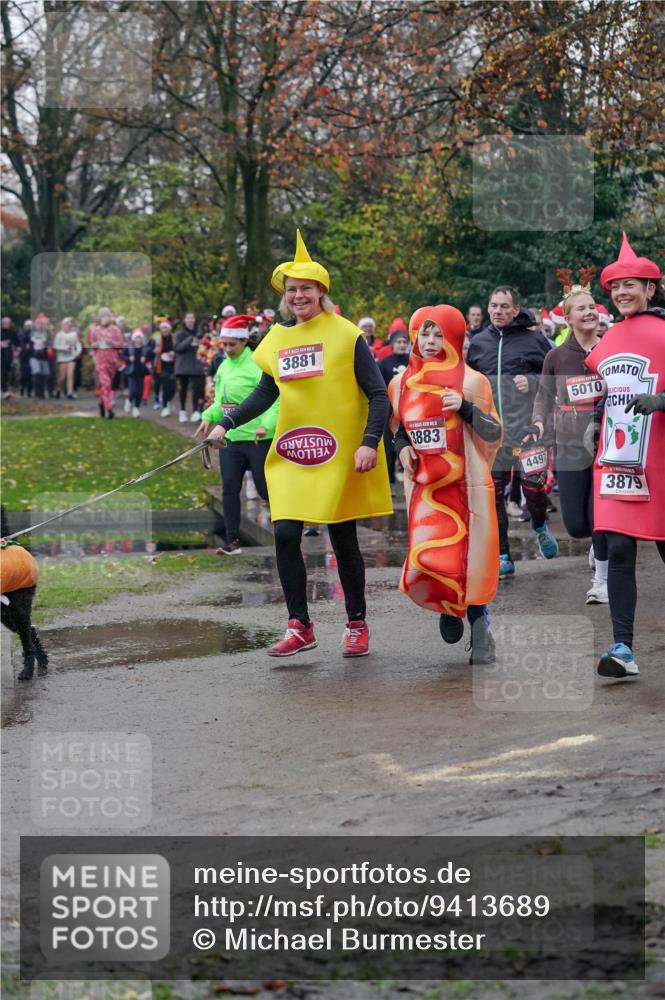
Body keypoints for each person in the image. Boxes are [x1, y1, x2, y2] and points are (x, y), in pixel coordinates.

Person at [205, 230, 392, 657]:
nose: (299, 295)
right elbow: (265, 393)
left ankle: (357, 624)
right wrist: (226, 423)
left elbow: (378, 394)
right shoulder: (276, 339)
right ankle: (299, 626)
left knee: (342, 538)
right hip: (292, 452)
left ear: (321, 291)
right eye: (292, 290)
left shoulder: (347, 335)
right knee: (285, 532)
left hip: (340, 453)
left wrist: (368, 442)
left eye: (305, 288)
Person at [389, 306, 502, 663]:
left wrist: (466, 408)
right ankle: (448, 608)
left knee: (472, 560)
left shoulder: (472, 382)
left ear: (454, 338)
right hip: (426, 492)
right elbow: (399, 429)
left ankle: (481, 629)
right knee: (431, 556)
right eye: (425, 333)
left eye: (439, 334)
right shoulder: (400, 384)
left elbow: (494, 433)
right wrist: (403, 449)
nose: (431, 341)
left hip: (467, 490)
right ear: (414, 337)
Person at [584, 233, 665, 678]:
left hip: (661, 459)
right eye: (615, 287)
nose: (621, 293)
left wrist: (663, 400)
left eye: (630, 285)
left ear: (651, 288)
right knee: (618, 548)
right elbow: (604, 392)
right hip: (617, 461)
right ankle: (623, 647)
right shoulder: (609, 337)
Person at [526, 283, 609, 604]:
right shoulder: (557, 356)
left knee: (601, 516)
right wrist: (537, 422)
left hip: (607, 445)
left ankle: (601, 580)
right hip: (570, 445)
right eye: (581, 308)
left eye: (592, 307)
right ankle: (594, 545)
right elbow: (544, 396)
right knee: (576, 524)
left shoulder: (612, 348)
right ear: (568, 317)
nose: (589, 312)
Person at [467, 286, 556, 577]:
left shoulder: (535, 340)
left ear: (516, 310)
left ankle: (540, 524)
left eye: (505, 306)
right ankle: (503, 554)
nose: (498, 311)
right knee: (493, 496)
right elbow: (469, 383)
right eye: (494, 306)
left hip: (528, 433)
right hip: (492, 436)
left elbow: (554, 379)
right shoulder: (479, 343)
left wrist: (531, 381)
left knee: (533, 488)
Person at [197, 315, 279, 554]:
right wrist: (208, 416)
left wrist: (266, 424)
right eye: (224, 344)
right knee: (229, 489)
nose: (227, 349)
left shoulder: (256, 364)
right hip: (231, 439)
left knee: (265, 490)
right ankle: (232, 541)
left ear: (244, 341)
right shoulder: (223, 366)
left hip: (258, 438)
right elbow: (222, 402)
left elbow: (274, 398)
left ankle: (289, 527)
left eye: (232, 344)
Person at [378, 330, 410, 485]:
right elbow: (380, 387)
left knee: (409, 442)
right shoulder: (384, 363)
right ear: (392, 344)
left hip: (410, 407)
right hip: (391, 408)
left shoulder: (413, 361)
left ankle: (409, 477)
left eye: (405, 342)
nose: (402, 345)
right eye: (399, 342)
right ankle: (388, 481)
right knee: (388, 444)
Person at [87, 307, 124, 418]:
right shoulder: (94, 330)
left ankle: (102, 403)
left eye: (106, 316)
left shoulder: (115, 329)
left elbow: (121, 344)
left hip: (112, 360)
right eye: (102, 316)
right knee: (105, 383)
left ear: (110, 317)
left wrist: (111, 342)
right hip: (100, 360)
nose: (104, 318)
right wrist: (97, 344)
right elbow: (91, 345)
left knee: (107, 386)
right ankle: (109, 409)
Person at [175, 311, 205, 423]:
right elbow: (177, 348)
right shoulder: (180, 334)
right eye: (188, 318)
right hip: (183, 367)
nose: (190, 320)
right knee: (183, 389)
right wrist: (190, 340)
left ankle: (195, 411)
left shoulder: (200, 333)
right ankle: (182, 411)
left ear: (195, 320)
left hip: (197, 366)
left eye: (192, 317)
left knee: (197, 389)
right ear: (184, 320)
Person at [121, 328, 154, 417]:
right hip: (131, 372)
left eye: (139, 338)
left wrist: (146, 359)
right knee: (133, 390)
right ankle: (129, 400)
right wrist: (128, 359)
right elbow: (122, 355)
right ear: (133, 338)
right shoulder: (129, 347)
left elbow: (152, 356)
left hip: (141, 372)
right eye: (136, 337)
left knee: (140, 391)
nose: (138, 339)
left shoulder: (145, 348)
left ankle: (136, 408)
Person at [53, 317, 82, 400]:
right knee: (62, 376)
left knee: (70, 375)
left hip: (71, 357)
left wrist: (77, 353)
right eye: (66, 325)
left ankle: (70, 393)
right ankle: (58, 389)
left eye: (69, 325)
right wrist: (64, 348)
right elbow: (55, 346)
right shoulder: (59, 334)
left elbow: (78, 345)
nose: (67, 326)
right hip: (62, 358)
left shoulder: (74, 334)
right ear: (62, 326)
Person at [155, 320, 176, 417]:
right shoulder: (157, 339)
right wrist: (156, 351)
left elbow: (178, 348)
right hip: (162, 366)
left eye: (166, 328)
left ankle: (169, 401)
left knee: (173, 387)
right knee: (165, 386)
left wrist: (174, 353)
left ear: (169, 329)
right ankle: (165, 406)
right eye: (163, 328)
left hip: (174, 365)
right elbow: (150, 350)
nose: (164, 330)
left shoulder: (174, 338)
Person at [1, 317, 18, 398]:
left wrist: (16, 353)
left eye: (8, 323)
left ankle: (5, 390)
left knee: (7, 372)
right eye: (4, 323)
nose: (6, 325)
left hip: (8, 355)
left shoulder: (13, 332)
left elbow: (17, 344)